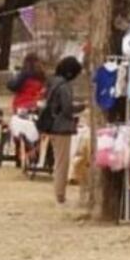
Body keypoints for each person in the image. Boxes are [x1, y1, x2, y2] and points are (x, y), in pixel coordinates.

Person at [37, 56, 86, 204]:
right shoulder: (64, 86)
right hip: (62, 127)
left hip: (51, 126)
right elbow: (67, 109)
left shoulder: (52, 83)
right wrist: (81, 106)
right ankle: (60, 195)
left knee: (58, 161)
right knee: (62, 163)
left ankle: (59, 192)